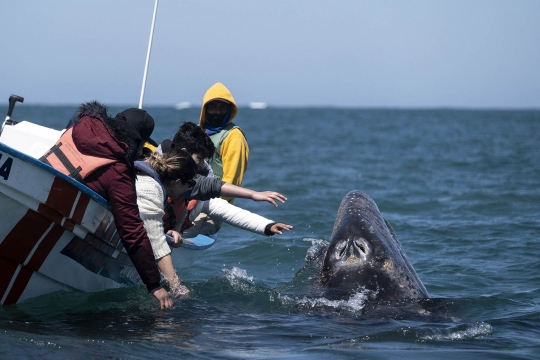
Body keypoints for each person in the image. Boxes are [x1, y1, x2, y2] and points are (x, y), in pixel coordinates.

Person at [40, 102, 173, 309]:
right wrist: (154, 284)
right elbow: (131, 230)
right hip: (50, 217)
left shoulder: (78, 127)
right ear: (139, 143)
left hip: (39, 193)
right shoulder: (119, 170)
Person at [133, 148, 290, 296]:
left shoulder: (176, 183)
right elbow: (156, 241)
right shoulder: (149, 189)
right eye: (190, 186)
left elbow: (227, 209)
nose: (192, 190)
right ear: (177, 182)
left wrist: (267, 226)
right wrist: (175, 285)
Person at [159, 122, 293, 239]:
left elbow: (224, 209)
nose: (201, 165)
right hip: (147, 228)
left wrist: (266, 226)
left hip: (172, 232)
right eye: (199, 158)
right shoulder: (152, 173)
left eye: (204, 160)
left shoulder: (196, 183)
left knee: (213, 222)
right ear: (184, 152)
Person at [199, 82, 248, 204]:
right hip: (188, 202)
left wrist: (217, 203)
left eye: (222, 108)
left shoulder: (233, 136)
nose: (216, 112)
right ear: (205, 109)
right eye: (212, 107)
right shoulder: (197, 132)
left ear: (229, 111)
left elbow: (232, 178)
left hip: (213, 205)